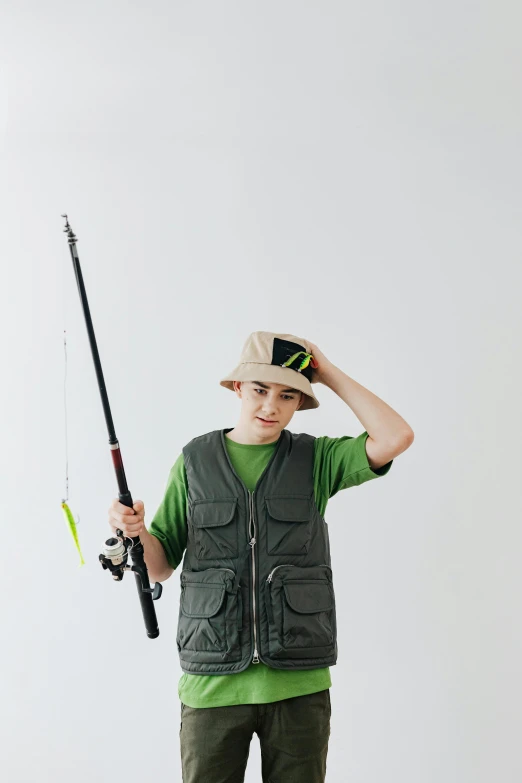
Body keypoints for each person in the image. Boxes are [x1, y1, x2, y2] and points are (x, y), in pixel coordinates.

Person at [108, 331, 414, 783]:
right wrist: (131, 532)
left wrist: (326, 372)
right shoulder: (194, 461)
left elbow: (396, 436)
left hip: (298, 686)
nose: (271, 406)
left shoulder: (318, 459)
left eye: (288, 394)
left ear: (300, 403)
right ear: (237, 388)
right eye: (260, 389)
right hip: (211, 686)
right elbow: (160, 565)